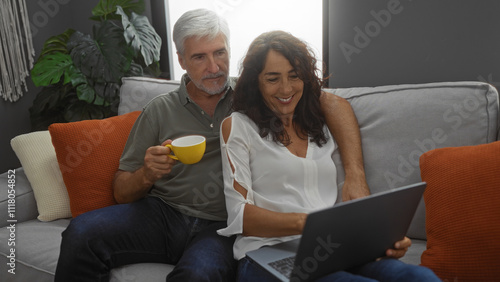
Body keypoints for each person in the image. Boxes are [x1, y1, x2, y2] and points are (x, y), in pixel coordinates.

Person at [55, 9, 370, 281]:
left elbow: (333, 103)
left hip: (221, 227)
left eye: (220, 52)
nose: (214, 66)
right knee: (81, 233)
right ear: (180, 60)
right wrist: (147, 174)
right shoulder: (159, 110)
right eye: (199, 57)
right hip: (163, 214)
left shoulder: (254, 96)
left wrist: (355, 175)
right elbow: (121, 191)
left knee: (198, 275)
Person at [217, 30, 440, 281]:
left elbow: (334, 103)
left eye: (294, 75)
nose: (286, 88)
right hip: (265, 254)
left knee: (420, 278)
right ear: (254, 82)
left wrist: (383, 240)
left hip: (334, 249)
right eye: (272, 79)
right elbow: (240, 216)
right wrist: (312, 224)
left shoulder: (318, 122)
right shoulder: (239, 126)